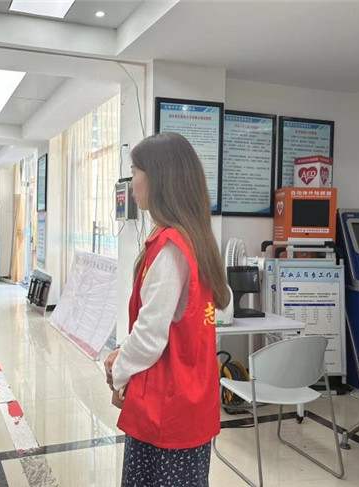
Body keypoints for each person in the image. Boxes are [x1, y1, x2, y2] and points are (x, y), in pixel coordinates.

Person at [104, 132, 230, 487]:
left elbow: (149, 337)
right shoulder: (193, 239)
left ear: (158, 178)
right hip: (190, 401)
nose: (131, 183)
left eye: (135, 172)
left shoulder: (171, 249)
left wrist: (118, 371)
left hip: (167, 409)